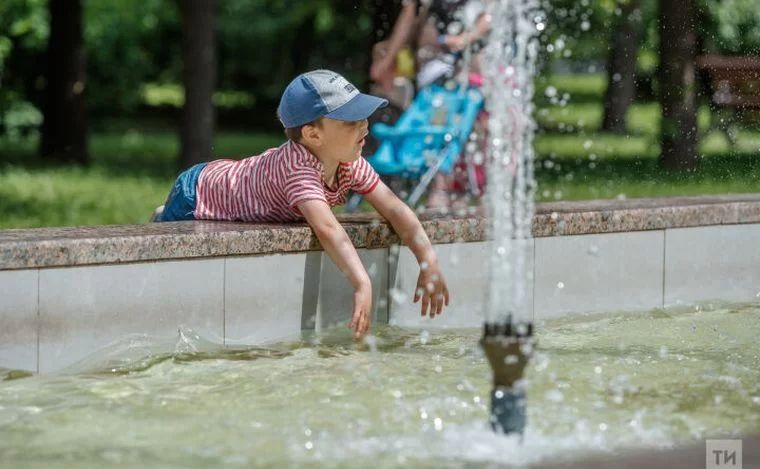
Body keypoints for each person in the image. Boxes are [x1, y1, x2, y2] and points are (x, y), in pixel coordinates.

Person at [153, 69, 450, 339]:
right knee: (164, 264)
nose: (365, 126)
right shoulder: (298, 168)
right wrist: (362, 283)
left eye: (364, 117)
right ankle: (164, 216)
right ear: (312, 134)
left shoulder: (350, 162)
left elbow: (395, 209)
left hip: (230, 178)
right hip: (200, 192)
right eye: (351, 121)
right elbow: (328, 229)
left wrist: (429, 259)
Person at [370, 0, 492, 212]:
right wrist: (388, 59)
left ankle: (469, 194)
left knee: (475, 134)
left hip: (475, 67)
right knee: (440, 126)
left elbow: (492, 11)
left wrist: (466, 38)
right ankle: (441, 190)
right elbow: (410, 15)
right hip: (437, 72)